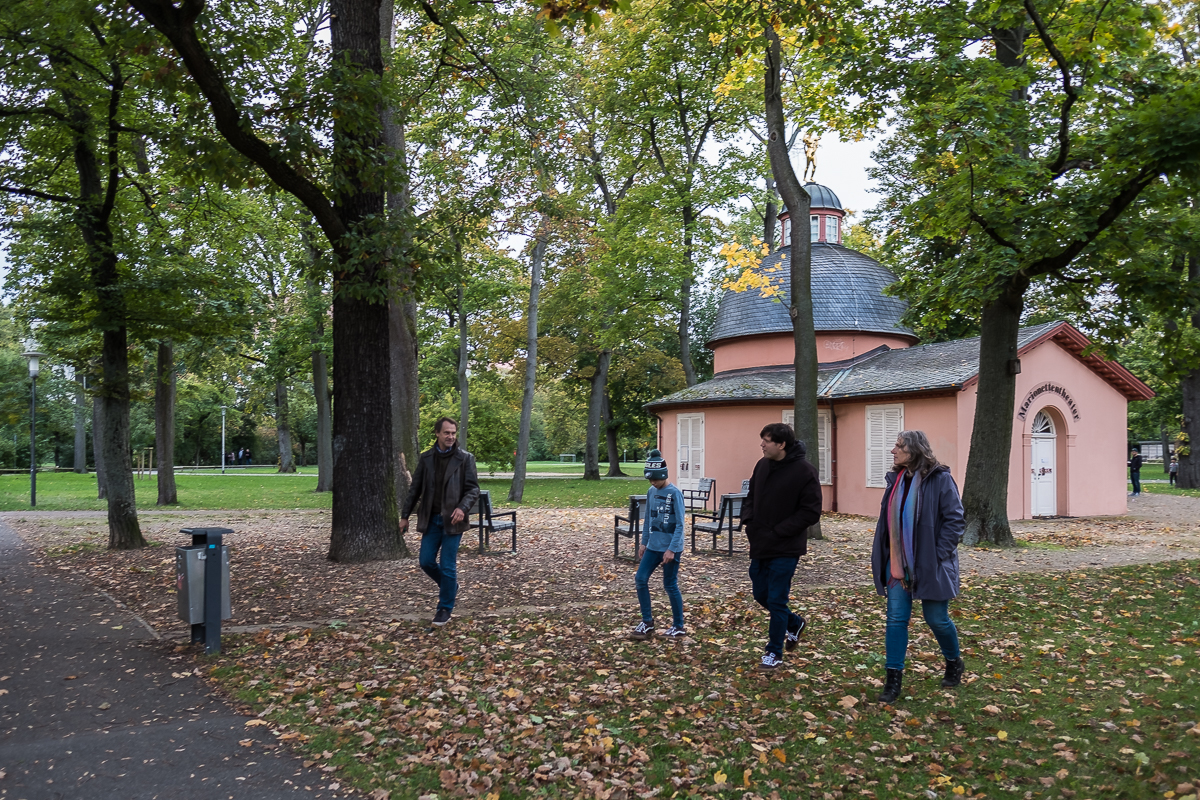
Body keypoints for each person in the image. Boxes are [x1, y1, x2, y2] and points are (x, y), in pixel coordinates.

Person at [871, 430, 965, 704]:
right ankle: (893, 680)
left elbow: (955, 520)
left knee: (936, 619)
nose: (893, 451)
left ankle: (953, 661)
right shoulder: (895, 480)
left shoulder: (940, 479)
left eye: (899, 446)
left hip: (931, 562)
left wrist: (937, 555)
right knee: (896, 619)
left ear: (914, 451)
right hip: (897, 563)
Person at [742, 422, 823, 671]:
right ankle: (795, 623)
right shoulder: (762, 465)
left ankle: (773, 652)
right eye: (762, 439)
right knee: (760, 594)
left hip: (786, 547)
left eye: (766, 440)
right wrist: (749, 521)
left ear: (781, 444)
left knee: (776, 599)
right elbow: (751, 496)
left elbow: (811, 512)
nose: (762, 444)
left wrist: (780, 531)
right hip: (760, 542)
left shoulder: (804, 471)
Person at [400, 417, 480, 627]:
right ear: (437, 433)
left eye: (453, 433)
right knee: (426, 561)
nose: (451, 437)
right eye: (446, 433)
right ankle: (450, 587)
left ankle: (444, 608)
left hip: (453, 521)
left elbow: (473, 489)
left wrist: (462, 508)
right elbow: (414, 489)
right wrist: (404, 516)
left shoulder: (465, 459)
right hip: (431, 519)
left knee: (447, 566)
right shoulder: (426, 459)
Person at [629, 450, 687, 641]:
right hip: (653, 546)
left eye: (655, 479)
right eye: (649, 479)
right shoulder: (651, 492)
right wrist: (643, 542)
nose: (653, 482)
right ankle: (647, 622)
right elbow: (648, 520)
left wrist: (672, 549)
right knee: (640, 578)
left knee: (670, 585)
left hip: (670, 548)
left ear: (664, 475)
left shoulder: (674, 493)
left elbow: (680, 524)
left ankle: (678, 626)